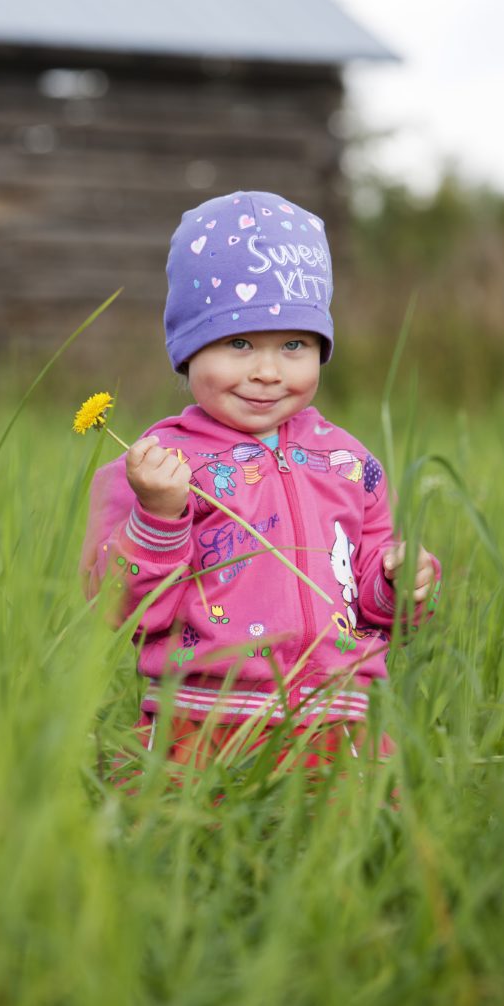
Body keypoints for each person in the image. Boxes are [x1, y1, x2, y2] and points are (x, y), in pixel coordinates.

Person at [80, 190, 441, 776]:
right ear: (188, 349)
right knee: (194, 845)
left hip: (341, 720)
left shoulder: (350, 463)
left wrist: (399, 580)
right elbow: (121, 611)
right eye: (239, 343)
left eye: (294, 345)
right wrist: (157, 518)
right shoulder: (157, 467)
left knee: (357, 846)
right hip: (205, 724)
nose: (268, 371)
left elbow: (372, 602)